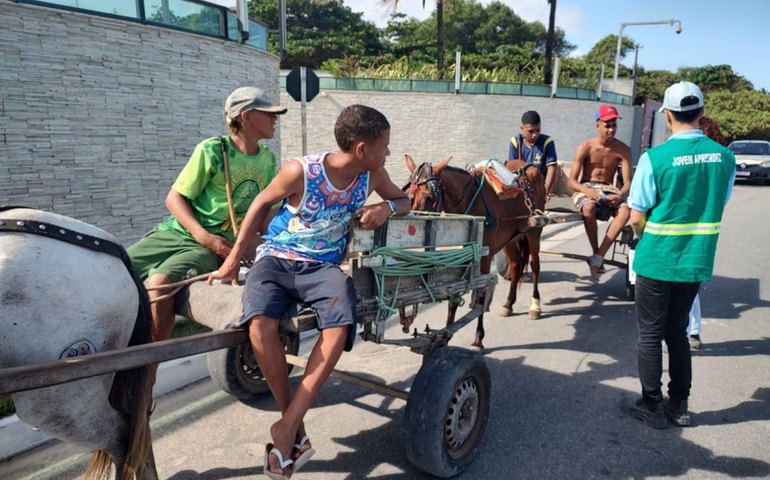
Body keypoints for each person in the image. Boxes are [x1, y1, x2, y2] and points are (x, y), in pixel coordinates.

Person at [208, 104, 410, 479]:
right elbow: (261, 202)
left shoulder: (373, 176)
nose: (388, 153)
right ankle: (292, 426)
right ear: (362, 149)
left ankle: (285, 429)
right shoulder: (301, 171)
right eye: (384, 146)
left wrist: (386, 207)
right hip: (277, 258)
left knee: (340, 325)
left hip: (322, 268)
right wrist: (233, 260)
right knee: (259, 326)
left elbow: (406, 201)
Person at [128, 86, 285, 363]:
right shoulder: (212, 150)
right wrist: (203, 235)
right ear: (246, 117)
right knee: (118, 267)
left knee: (159, 283)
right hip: (179, 233)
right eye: (268, 113)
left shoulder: (268, 160)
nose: (275, 118)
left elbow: (266, 217)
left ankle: (147, 369)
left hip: (214, 247)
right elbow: (174, 198)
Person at [621, 81, 735, 429]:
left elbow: (636, 216)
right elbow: (719, 202)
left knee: (650, 335)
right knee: (678, 331)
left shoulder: (655, 159)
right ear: (701, 113)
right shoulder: (725, 158)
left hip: (657, 260)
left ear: (667, 116)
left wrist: (640, 236)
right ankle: (679, 405)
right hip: (695, 261)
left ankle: (651, 405)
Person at [567, 104, 633, 281]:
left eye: (614, 125)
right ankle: (596, 253)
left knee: (625, 211)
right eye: (607, 125)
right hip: (586, 187)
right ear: (598, 126)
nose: (611, 129)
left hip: (609, 189)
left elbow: (628, 182)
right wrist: (586, 190)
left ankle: (597, 257)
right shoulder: (585, 147)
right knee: (588, 208)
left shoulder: (623, 149)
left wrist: (619, 196)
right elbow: (571, 181)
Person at [507, 110, 558, 198]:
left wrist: (545, 191)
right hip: (521, 186)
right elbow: (512, 168)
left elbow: (551, 168)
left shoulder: (547, 142)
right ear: (522, 128)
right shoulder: (515, 142)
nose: (535, 135)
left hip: (540, 185)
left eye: (538, 130)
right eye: (530, 131)